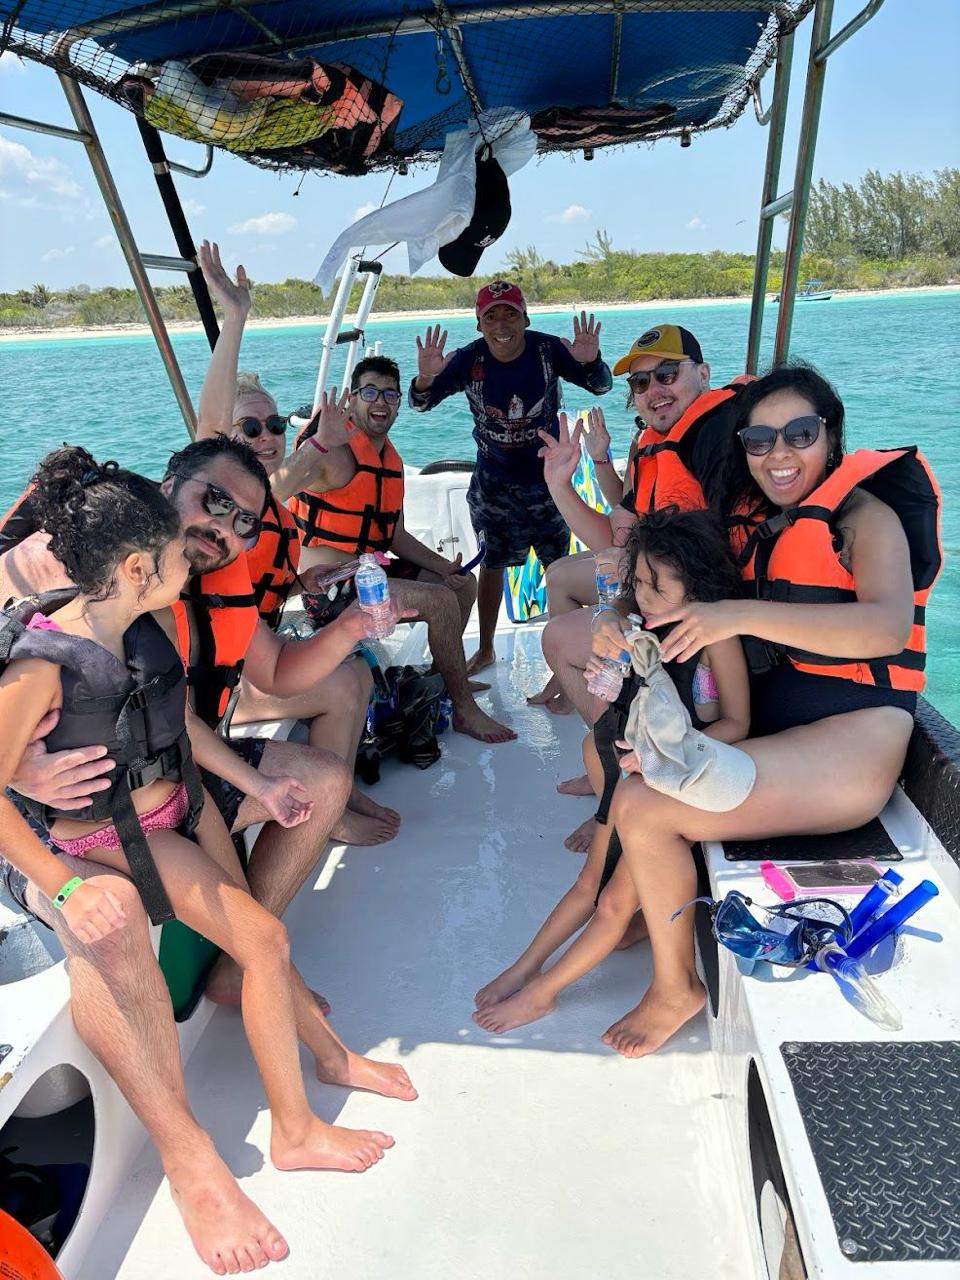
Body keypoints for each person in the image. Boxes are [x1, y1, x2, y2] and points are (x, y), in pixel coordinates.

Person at [0, 447, 415, 1274]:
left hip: (169, 810)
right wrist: (64, 886)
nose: (203, 556)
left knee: (260, 938)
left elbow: (176, 722)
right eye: (180, 551)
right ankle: (227, 1152)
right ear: (136, 564)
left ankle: (309, 1097)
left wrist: (256, 784)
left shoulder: (138, 628)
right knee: (174, 939)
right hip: (95, 839)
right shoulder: (42, 657)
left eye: (243, 521)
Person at [589, 364, 940, 1056]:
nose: (779, 453)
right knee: (629, 770)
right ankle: (630, 909)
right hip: (782, 736)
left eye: (799, 434)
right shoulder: (756, 520)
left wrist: (740, 616)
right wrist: (613, 612)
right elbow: (664, 578)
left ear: (831, 437)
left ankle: (675, 988)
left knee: (646, 807)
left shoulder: (867, 518)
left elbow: (885, 628)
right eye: (759, 439)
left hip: (852, 744)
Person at [2, 434, 415, 1007]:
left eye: (246, 522)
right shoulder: (67, 565)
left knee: (323, 781)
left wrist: (350, 629)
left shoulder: (205, 580)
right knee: (109, 916)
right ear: (169, 483)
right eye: (216, 501)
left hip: (178, 776)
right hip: (59, 820)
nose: (224, 528)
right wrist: (20, 773)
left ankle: (240, 963)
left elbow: (277, 672)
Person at [472, 507, 750, 1033]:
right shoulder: (637, 626)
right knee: (587, 883)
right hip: (628, 772)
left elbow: (737, 721)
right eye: (637, 583)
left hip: (665, 782)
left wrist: (667, 759)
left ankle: (542, 994)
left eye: (656, 587)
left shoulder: (716, 639)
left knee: (613, 904)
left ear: (696, 585)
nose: (642, 596)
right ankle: (525, 969)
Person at [195, 239, 400, 844]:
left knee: (355, 672)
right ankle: (328, 814)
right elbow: (224, 444)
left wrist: (302, 580)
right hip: (215, 686)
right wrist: (235, 319)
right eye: (249, 427)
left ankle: (341, 790)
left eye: (274, 425)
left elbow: (258, 585)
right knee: (342, 682)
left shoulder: (274, 507)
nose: (266, 436)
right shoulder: (217, 509)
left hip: (253, 654)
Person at [534, 325, 750, 847]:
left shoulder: (714, 440)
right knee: (576, 625)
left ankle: (617, 784)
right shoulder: (658, 443)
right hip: (658, 599)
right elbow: (617, 538)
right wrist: (561, 483)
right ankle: (610, 763)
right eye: (640, 381)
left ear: (703, 373)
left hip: (700, 617)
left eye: (667, 374)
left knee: (566, 638)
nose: (654, 389)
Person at [273, 346, 515, 744]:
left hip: (370, 574)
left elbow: (394, 536)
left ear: (399, 403)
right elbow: (273, 491)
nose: (380, 402)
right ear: (352, 399)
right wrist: (317, 444)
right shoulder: (331, 453)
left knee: (461, 585)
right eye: (369, 392)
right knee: (439, 602)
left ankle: (445, 680)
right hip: (329, 589)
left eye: (389, 394)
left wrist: (444, 567)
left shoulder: (389, 460)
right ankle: (464, 710)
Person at [408, 280, 613, 674]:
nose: (501, 325)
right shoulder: (468, 360)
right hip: (493, 483)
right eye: (491, 317)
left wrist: (591, 362)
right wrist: (425, 379)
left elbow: (601, 386)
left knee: (560, 567)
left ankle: (569, 655)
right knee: (492, 564)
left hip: (548, 483)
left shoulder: (547, 350)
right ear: (479, 324)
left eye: (510, 314)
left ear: (525, 318)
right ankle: (486, 648)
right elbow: (420, 405)